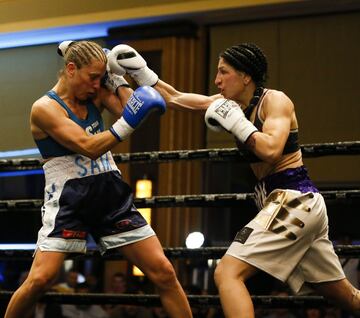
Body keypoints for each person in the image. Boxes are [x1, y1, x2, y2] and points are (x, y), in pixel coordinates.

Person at [107, 42, 360, 317]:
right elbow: (176, 98)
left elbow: (272, 150)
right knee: (346, 297)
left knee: (228, 273)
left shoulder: (275, 101)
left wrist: (238, 122)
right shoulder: (229, 104)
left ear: (245, 76)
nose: (217, 80)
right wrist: (141, 72)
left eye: (223, 72)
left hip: (294, 200)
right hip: (283, 205)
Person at [4, 40, 192, 318]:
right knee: (40, 280)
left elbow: (132, 108)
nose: (96, 85)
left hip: (109, 194)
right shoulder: (45, 108)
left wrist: (115, 80)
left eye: (99, 78)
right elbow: (89, 146)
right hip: (69, 198)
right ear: (70, 69)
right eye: (92, 77)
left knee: (164, 272)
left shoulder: (96, 93)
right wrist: (128, 121)